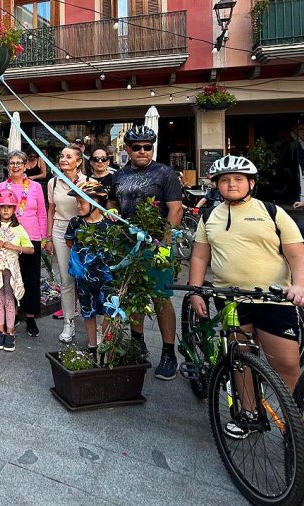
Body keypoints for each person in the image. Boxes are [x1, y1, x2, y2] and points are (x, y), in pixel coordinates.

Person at [189, 156, 304, 431]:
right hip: (230, 298)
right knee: (239, 359)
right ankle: (248, 413)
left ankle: (294, 427)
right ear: (217, 185)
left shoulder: (272, 212)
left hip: (272, 299)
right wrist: (196, 292)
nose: (231, 184)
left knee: (288, 364)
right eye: (225, 180)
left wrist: (301, 285)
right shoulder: (209, 217)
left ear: (251, 183)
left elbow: (297, 254)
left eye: (238, 179)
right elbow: (199, 257)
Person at [108, 125, 183, 380]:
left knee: (161, 297)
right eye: (136, 147)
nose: (142, 151)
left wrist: (165, 244)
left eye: (147, 146)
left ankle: (168, 352)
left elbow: (175, 211)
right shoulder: (118, 175)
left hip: (156, 245)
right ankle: (138, 342)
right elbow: (111, 203)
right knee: (133, 294)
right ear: (127, 149)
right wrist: (112, 214)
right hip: (127, 244)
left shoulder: (165, 173)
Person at [0, 150, 47, 337]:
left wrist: (44, 237)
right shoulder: (0, 187)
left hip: (31, 238)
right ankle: (9, 316)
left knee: (30, 278)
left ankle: (29, 317)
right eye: (12, 163)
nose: (15, 166)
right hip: (5, 240)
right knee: (8, 279)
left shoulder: (35, 187)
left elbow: (42, 213)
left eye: (19, 163)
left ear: (25, 165)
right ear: (8, 166)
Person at [45, 144, 92, 341]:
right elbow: (51, 210)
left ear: (79, 161)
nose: (63, 159)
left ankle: (93, 322)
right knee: (66, 280)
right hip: (59, 231)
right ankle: (68, 323)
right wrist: (48, 238)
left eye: (68, 156)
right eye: (62, 156)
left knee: (87, 279)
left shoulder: (89, 182)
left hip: (84, 232)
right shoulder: (53, 183)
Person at [64, 181, 115, 349]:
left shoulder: (110, 224)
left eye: (82, 202)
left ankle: (106, 346)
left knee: (109, 310)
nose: (78, 206)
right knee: (88, 311)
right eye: (77, 202)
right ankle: (92, 345)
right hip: (84, 278)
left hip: (107, 278)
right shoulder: (75, 223)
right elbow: (69, 241)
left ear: (96, 202)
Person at [0, 189, 33, 352]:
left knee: (10, 299)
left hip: (11, 270)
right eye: (2, 207)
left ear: (14, 209)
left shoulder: (18, 228)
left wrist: (15, 247)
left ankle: (10, 333)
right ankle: (0, 331)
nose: (6, 210)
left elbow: (30, 249)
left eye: (9, 207)